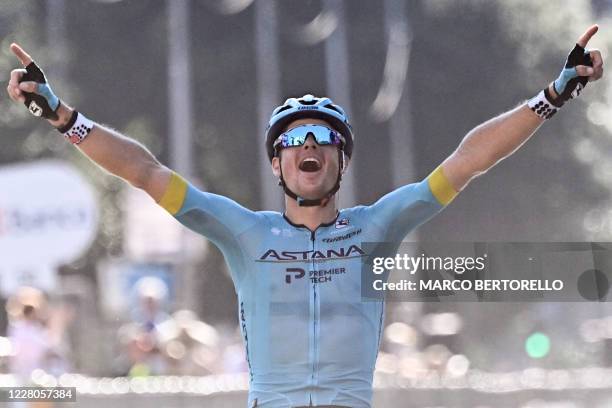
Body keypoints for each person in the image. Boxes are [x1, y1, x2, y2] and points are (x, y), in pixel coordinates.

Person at [5, 25, 604, 408]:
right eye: (294, 139)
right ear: (277, 164)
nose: (309, 145)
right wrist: (61, 116)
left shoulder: (376, 228)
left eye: (323, 136)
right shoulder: (245, 233)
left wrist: (551, 96)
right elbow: (145, 170)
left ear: (339, 159)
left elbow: (467, 160)